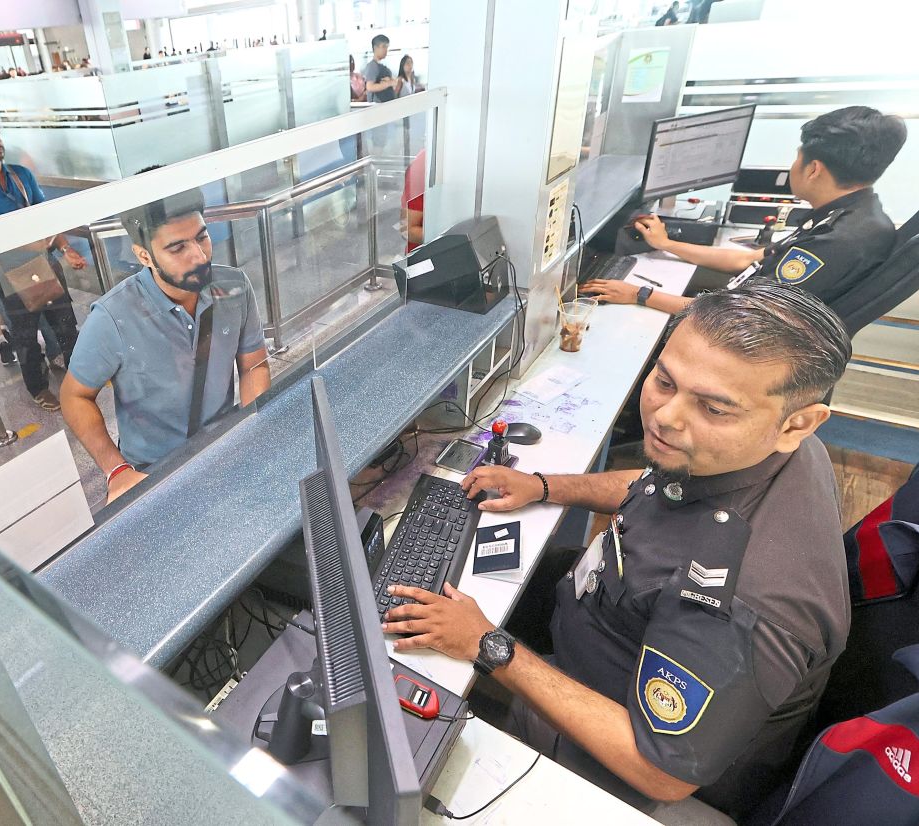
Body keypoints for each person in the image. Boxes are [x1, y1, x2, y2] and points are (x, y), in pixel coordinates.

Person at [384, 284, 853, 818]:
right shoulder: (752, 446)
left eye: (714, 408)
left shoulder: (744, 600)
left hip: (615, 754)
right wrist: (543, 485)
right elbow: (659, 480)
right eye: (664, 381)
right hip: (604, 624)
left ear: (800, 423)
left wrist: (488, 646)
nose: (665, 418)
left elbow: (661, 770)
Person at [582, 106, 907, 325]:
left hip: (742, 336)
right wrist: (667, 244)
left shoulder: (835, 241)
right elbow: (746, 260)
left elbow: (742, 317)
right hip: (748, 315)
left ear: (813, 169)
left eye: (797, 157)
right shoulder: (857, 217)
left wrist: (640, 294)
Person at [60, 178, 272, 503]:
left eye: (202, 237)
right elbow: (75, 395)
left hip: (224, 448)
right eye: (177, 247)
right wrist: (117, 471)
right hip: (153, 473)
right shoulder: (113, 317)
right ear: (144, 256)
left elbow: (253, 363)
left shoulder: (233, 286)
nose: (199, 256)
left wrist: (254, 427)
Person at [0, 117, 84, 411]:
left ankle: (80, 376)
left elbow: (45, 217)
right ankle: (38, 388)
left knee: (66, 324)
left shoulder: (21, 174)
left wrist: (65, 248)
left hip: (45, 263)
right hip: (8, 274)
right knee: (25, 337)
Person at [363, 34, 402, 103]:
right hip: (378, 107)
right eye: (383, 47)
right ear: (375, 48)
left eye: (387, 47)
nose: (386, 50)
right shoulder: (372, 66)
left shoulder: (382, 66)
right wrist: (388, 83)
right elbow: (370, 87)